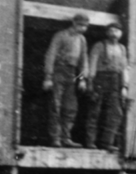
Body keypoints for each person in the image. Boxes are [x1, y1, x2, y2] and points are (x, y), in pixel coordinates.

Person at [43, 13, 89, 147]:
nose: (83, 28)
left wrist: (82, 79)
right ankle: (55, 138)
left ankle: (66, 137)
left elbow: (83, 60)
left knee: (70, 107)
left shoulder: (82, 40)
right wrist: (48, 76)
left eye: (85, 26)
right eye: (81, 25)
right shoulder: (61, 35)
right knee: (55, 105)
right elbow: (50, 54)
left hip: (72, 73)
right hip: (59, 70)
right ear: (74, 23)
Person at [84, 21, 129, 151]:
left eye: (117, 31)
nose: (114, 33)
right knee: (95, 111)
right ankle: (90, 142)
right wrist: (90, 81)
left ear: (121, 33)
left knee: (116, 113)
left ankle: (106, 142)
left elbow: (124, 67)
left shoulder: (122, 48)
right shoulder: (99, 45)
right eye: (111, 30)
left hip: (115, 81)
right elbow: (92, 63)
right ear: (107, 32)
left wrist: (124, 86)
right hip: (100, 79)